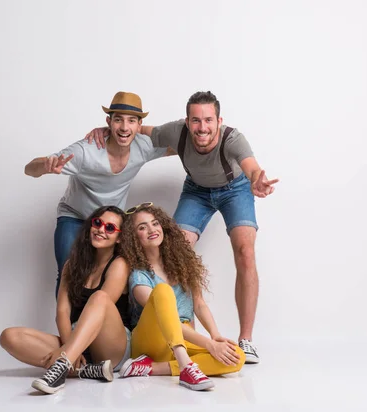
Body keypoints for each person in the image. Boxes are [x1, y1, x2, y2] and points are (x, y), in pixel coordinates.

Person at [86, 91, 279, 363]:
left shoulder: (233, 139)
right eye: (196, 121)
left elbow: (252, 167)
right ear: (187, 122)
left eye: (208, 120)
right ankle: (176, 332)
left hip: (234, 188)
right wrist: (107, 130)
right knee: (172, 250)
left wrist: (258, 180)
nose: (202, 127)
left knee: (245, 251)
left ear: (219, 120)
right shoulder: (176, 132)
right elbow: (138, 128)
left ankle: (245, 340)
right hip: (197, 191)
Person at [24, 92, 169, 297]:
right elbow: (29, 169)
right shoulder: (86, 151)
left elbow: (181, 142)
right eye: (118, 120)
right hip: (74, 217)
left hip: (110, 222)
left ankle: (103, 326)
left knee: (117, 274)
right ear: (109, 122)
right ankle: (70, 328)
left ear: (139, 125)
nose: (124, 128)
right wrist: (44, 166)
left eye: (131, 121)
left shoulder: (143, 146)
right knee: (68, 273)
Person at [0, 206, 132, 395]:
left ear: (119, 238)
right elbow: (62, 311)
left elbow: (100, 310)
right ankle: (87, 370)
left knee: (100, 297)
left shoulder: (120, 264)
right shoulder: (72, 264)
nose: (101, 230)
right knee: (9, 336)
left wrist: (66, 352)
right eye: (98, 223)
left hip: (112, 346)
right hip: (77, 340)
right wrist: (69, 347)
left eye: (110, 228)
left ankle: (61, 367)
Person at [117, 203, 245, 391]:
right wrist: (208, 345)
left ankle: (151, 368)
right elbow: (165, 320)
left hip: (184, 337)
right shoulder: (139, 275)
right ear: (134, 237)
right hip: (152, 340)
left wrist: (215, 336)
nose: (152, 229)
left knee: (237, 357)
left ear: (163, 227)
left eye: (155, 223)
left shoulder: (182, 265)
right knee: (163, 291)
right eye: (142, 227)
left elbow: (199, 304)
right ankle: (185, 367)